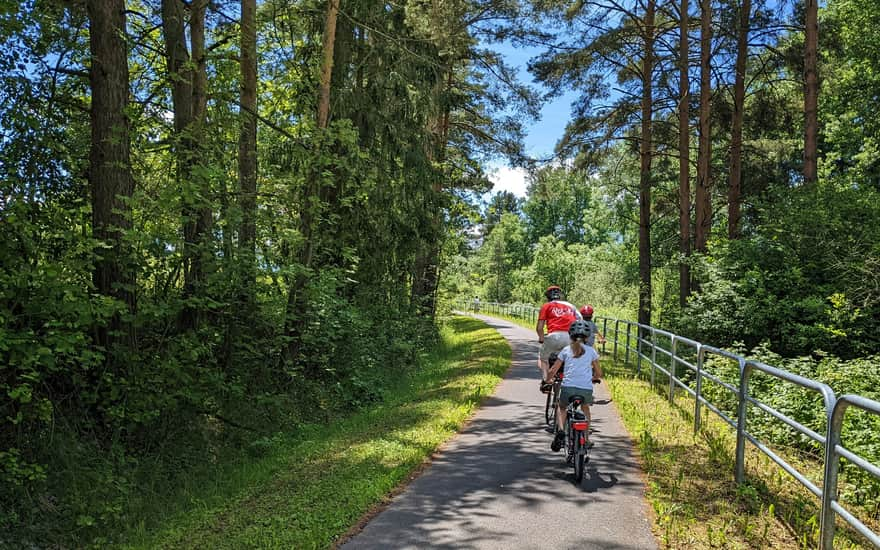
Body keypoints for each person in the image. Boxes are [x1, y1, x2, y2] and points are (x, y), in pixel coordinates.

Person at [545, 320, 603, 452]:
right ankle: (586, 438)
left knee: (562, 407)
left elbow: (554, 370)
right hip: (586, 389)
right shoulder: (591, 351)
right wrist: (593, 378)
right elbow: (599, 373)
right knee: (585, 408)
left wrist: (548, 379)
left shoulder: (566, 350)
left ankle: (560, 431)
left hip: (568, 388)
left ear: (570, 336)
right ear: (587, 337)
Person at [536, 285, 581, 389]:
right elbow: (580, 321)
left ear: (548, 297)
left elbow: (539, 328)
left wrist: (542, 338)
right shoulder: (571, 306)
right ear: (560, 296)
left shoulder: (546, 306)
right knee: (572, 358)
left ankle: (547, 380)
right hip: (571, 337)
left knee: (543, 358)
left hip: (554, 336)